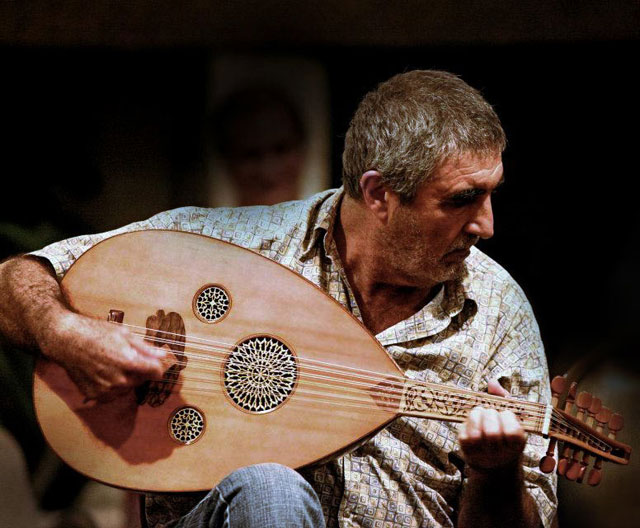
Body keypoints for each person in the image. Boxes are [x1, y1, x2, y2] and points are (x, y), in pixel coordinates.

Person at [0, 70, 557, 528]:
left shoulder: (498, 310)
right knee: (270, 490)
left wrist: (496, 473)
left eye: (491, 194)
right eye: (462, 199)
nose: (486, 224)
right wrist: (66, 333)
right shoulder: (236, 245)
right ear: (379, 195)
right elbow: (15, 278)